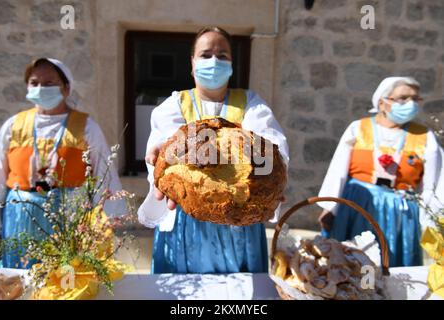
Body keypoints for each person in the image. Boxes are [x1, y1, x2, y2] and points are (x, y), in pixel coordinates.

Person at [138, 26, 289, 274]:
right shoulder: (174, 105)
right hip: (188, 223)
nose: (214, 61)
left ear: (232, 64)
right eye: (206, 54)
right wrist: (161, 152)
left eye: (223, 56)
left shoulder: (251, 103)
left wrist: (273, 180)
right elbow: (166, 144)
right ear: (192, 62)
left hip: (241, 221)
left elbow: (271, 144)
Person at [0, 58, 125, 268]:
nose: (40, 88)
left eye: (49, 83)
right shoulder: (14, 126)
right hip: (19, 217)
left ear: (66, 88)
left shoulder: (86, 127)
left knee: (64, 278)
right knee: (19, 282)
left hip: (68, 217)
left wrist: (108, 220)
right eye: (34, 83)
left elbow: (103, 174)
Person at [317, 77, 443, 267]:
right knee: (354, 264)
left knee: (389, 267)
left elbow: (433, 184)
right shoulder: (358, 128)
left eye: (415, 99)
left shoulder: (425, 136)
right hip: (358, 204)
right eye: (403, 98)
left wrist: (430, 222)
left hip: (400, 213)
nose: (410, 104)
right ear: (383, 102)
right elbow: (338, 170)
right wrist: (329, 207)